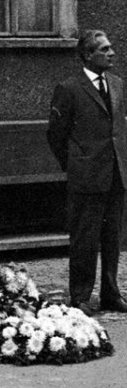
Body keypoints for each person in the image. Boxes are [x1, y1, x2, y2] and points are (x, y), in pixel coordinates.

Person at [47, 29, 127, 316]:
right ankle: (80, 296)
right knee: (84, 238)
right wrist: (74, 164)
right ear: (87, 55)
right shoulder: (69, 88)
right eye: (104, 50)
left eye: (111, 48)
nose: (111, 54)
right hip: (86, 176)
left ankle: (110, 294)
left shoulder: (117, 85)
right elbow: (56, 134)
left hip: (116, 174)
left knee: (112, 238)